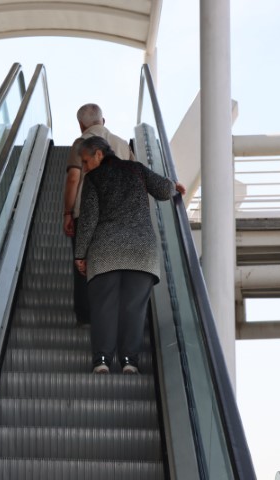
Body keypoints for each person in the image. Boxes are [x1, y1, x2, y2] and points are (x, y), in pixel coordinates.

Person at [73, 136, 186, 374]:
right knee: (133, 308)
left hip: (105, 252)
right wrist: (174, 186)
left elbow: (88, 220)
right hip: (141, 253)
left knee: (104, 306)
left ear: (99, 155)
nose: (84, 167)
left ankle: (102, 360)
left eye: (85, 161)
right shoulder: (136, 169)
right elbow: (164, 189)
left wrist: (80, 254)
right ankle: (129, 362)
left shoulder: (94, 179)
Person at [63, 103, 134, 325]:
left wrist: (67, 212)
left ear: (81, 125)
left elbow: (74, 178)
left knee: (84, 265)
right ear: (103, 121)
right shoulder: (122, 145)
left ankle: (86, 318)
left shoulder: (81, 143)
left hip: (86, 214)